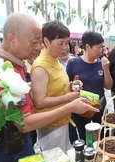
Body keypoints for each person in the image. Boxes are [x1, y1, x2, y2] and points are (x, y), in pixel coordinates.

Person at [0, 13, 98, 162]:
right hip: (10, 145)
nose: (39, 47)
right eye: (35, 41)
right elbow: (23, 123)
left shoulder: (16, 63)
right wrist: (70, 105)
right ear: (12, 39)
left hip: (18, 142)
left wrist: (29, 87)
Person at [30, 20, 88, 152]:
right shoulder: (41, 66)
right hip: (50, 124)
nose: (65, 47)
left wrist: (71, 85)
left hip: (61, 119)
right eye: (60, 43)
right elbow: (39, 102)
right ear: (46, 41)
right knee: (55, 161)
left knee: (63, 157)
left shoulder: (55, 60)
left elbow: (55, 85)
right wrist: (68, 97)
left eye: (66, 42)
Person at [66, 31, 113, 142]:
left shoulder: (102, 63)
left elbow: (109, 86)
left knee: (103, 136)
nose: (101, 51)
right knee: (84, 136)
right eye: (98, 47)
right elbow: (67, 86)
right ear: (87, 47)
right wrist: (74, 85)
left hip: (99, 106)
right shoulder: (73, 63)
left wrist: (106, 69)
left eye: (102, 47)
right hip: (81, 107)